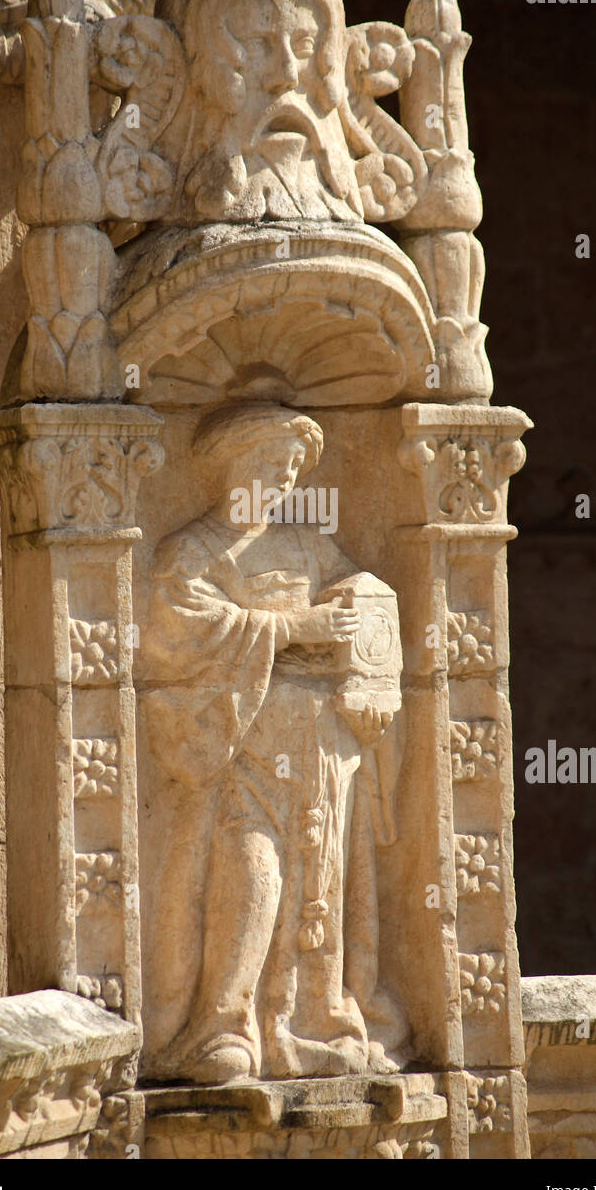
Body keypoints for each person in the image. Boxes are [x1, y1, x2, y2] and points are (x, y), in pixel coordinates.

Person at [142, 403, 408, 1082]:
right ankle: (220, 1029)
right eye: (269, 464)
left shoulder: (307, 545)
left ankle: (311, 1022)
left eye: (291, 470)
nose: (283, 480)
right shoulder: (193, 551)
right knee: (253, 877)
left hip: (322, 753)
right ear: (231, 465)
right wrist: (293, 627)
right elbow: (178, 633)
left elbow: (364, 591)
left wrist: (367, 651)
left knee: (321, 886)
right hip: (241, 754)